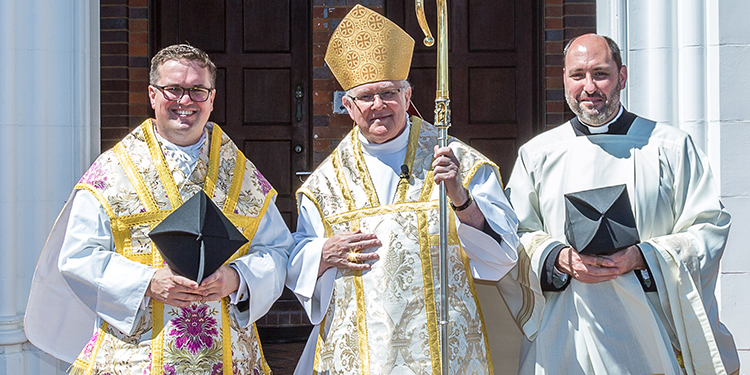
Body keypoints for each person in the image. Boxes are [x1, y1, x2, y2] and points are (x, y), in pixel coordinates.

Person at [25, 44, 292, 374]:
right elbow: (78, 255)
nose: (185, 101)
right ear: (152, 95)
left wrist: (236, 278)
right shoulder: (114, 171)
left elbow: (278, 251)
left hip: (226, 357)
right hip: (135, 357)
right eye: (173, 89)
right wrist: (147, 283)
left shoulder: (241, 174)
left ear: (211, 98)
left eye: (197, 90)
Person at [285, 5, 520, 374]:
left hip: (444, 351)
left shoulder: (459, 161)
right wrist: (323, 253)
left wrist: (460, 198)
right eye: (365, 97)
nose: (379, 105)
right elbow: (296, 263)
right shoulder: (325, 184)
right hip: (361, 355)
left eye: (389, 93)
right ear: (347, 105)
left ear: (408, 97)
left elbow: (503, 256)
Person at [499, 34, 739, 375]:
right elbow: (515, 234)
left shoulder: (669, 147)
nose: (589, 87)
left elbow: (708, 227)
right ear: (564, 79)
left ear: (622, 77)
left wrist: (642, 258)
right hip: (567, 333)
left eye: (600, 74)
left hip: (650, 330)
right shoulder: (538, 154)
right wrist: (558, 257)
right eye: (577, 75)